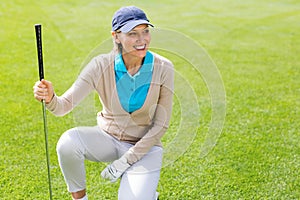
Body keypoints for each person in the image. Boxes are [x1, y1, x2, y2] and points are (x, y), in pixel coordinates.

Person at [33, 6, 174, 200]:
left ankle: (148, 194)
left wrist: (125, 161)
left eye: (146, 32)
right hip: (109, 138)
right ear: (116, 36)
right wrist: (50, 98)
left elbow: (160, 125)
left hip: (146, 148)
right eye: (133, 33)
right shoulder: (100, 65)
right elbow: (62, 106)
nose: (142, 40)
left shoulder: (164, 67)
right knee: (68, 143)